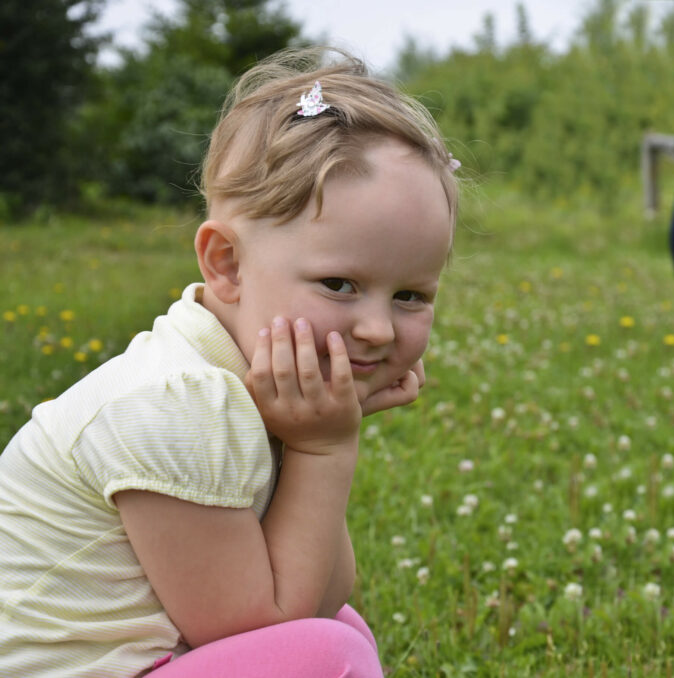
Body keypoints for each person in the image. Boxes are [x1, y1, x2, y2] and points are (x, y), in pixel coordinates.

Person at [0, 47, 459, 677]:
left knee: (340, 629)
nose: (378, 329)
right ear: (226, 264)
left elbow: (325, 594)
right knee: (329, 653)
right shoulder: (178, 404)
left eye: (410, 296)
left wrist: (315, 442)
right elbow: (270, 628)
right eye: (339, 284)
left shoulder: (239, 383)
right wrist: (324, 452)